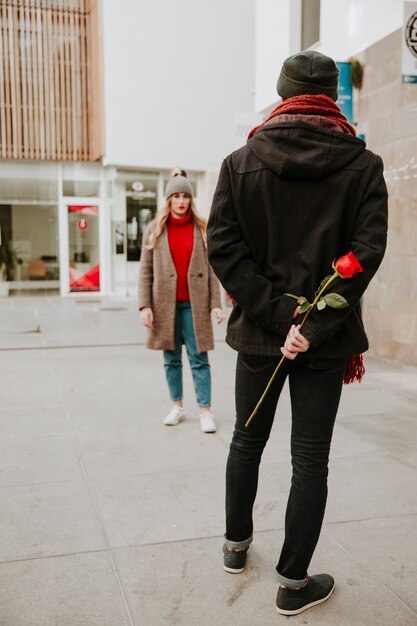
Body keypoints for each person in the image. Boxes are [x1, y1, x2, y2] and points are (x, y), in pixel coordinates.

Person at [207, 50, 388, 615]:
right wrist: (311, 322)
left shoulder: (241, 162)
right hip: (325, 340)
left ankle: (236, 547)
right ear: (332, 95)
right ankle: (293, 582)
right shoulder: (363, 165)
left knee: (246, 439)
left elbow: (225, 248)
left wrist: (277, 314)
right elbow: (367, 252)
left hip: (260, 333)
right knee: (310, 458)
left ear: (283, 91)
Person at [139, 168, 224, 433]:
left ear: (190, 199)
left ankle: (205, 411)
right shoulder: (155, 229)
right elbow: (145, 270)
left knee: (199, 358)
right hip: (166, 305)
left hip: (194, 305)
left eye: (184, 196)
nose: (180, 201)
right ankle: (177, 406)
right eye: (175, 196)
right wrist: (145, 306)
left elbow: (211, 269)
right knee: (171, 358)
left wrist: (215, 303)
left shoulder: (201, 228)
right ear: (168, 200)